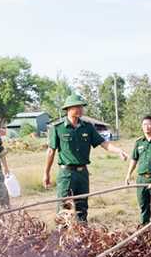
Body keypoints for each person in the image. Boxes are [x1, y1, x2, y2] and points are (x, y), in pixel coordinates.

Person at [43, 94, 128, 222]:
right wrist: (46, 173)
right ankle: (63, 238)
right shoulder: (58, 128)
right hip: (66, 174)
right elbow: (50, 152)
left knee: (82, 208)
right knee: (64, 208)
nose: (81, 109)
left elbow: (103, 143)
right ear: (69, 109)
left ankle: (82, 237)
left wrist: (118, 151)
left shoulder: (88, 127)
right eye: (78, 106)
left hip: (83, 173)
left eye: (81, 106)